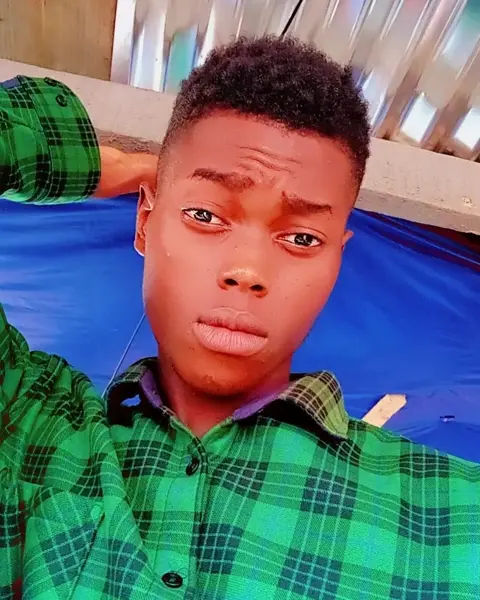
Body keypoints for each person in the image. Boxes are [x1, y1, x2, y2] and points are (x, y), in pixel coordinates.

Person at [0, 37, 479, 600]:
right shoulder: (28, 427)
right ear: (145, 223)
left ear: (337, 262)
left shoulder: (457, 514)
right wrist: (112, 166)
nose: (247, 271)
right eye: (204, 214)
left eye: (302, 238)